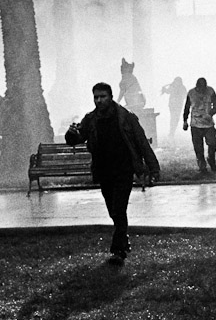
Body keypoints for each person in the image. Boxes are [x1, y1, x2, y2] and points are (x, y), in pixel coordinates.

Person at [66, 82, 160, 266]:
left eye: (102, 96)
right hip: (103, 170)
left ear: (110, 97)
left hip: (124, 169)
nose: (99, 100)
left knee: (119, 208)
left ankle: (118, 251)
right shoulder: (91, 119)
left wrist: (153, 168)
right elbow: (77, 138)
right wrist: (71, 134)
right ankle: (123, 240)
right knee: (113, 211)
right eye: (96, 97)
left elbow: (142, 143)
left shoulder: (126, 117)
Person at [182, 77, 216, 172]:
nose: (202, 90)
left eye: (204, 88)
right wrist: (185, 121)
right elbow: (187, 107)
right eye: (200, 88)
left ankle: (211, 159)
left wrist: (211, 113)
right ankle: (202, 166)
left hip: (208, 124)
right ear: (197, 87)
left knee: (212, 143)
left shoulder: (210, 91)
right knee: (198, 147)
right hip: (195, 124)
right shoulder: (191, 93)